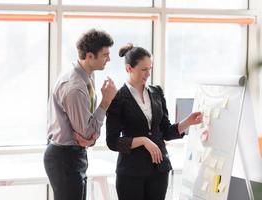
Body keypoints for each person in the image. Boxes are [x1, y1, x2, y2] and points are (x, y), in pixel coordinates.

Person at [106, 44, 202, 200]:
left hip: (159, 170)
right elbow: (113, 142)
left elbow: (165, 131)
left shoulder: (156, 92)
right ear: (129, 68)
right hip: (131, 172)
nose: (148, 73)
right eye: (144, 69)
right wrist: (144, 141)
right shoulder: (117, 98)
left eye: (150, 68)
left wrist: (187, 122)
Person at [44, 29, 117, 200]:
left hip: (74, 154)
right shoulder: (75, 87)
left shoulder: (88, 77)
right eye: (105, 55)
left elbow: (87, 132)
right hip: (65, 157)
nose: (109, 59)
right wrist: (106, 102)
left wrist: (90, 139)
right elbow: (86, 133)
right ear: (90, 56)